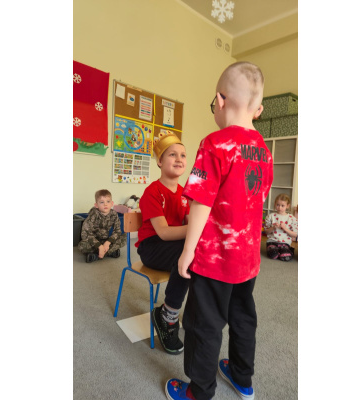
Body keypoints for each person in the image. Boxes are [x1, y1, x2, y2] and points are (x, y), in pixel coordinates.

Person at [166, 62, 273, 400]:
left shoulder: (215, 143)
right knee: (243, 316)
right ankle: (242, 378)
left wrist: (188, 251)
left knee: (204, 324)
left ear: (220, 100)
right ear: (258, 110)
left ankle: (199, 392)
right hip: (247, 259)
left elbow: (201, 201)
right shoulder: (264, 151)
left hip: (214, 261)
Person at [135, 133, 190, 355]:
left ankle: (192, 311)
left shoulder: (186, 193)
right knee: (186, 257)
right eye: (172, 154)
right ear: (159, 161)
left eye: (183, 155)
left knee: (200, 253)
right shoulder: (152, 192)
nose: (179, 159)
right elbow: (165, 233)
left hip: (174, 245)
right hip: (152, 247)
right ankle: (167, 315)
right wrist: (197, 231)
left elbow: (189, 223)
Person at [77, 189, 127, 263]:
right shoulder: (93, 214)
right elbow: (85, 233)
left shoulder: (114, 214)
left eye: (108, 201)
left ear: (112, 203)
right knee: (81, 246)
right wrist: (99, 246)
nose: (105, 204)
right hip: (94, 241)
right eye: (102, 202)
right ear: (96, 205)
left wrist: (107, 243)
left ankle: (97, 255)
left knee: (125, 237)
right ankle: (109, 252)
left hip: (106, 240)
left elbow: (117, 231)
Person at [264, 194, 298, 261]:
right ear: (275, 204)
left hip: (285, 243)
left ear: (287, 206)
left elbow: (295, 234)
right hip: (272, 241)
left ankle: (288, 250)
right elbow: (266, 231)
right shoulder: (270, 216)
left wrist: (285, 228)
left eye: (282, 206)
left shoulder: (291, 218)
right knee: (273, 255)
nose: (279, 208)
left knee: (286, 257)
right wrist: (273, 228)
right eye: (278, 205)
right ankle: (277, 250)